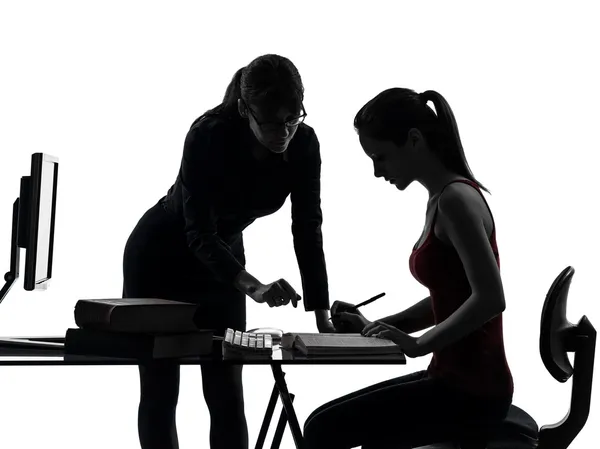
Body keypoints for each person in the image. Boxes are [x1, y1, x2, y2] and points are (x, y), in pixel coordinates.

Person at [122, 54, 335, 449]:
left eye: (293, 118)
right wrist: (254, 287)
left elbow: (308, 227)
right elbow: (199, 232)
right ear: (243, 108)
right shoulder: (208, 134)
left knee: (226, 390)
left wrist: (321, 314)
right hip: (161, 256)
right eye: (270, 122)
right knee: (160, 389)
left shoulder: (304, 143)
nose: (283, 131)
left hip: (225, 261)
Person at [303, 88, 514, 449]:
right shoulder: (442, 198)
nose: (376, 171)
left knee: (322, 429)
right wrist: (376, 327)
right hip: (453, 378)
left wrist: (418, 344)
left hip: (473, 392)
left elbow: (491, 298)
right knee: (323, 424)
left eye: (380, 157)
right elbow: (452, 297)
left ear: (414, 140)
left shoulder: (455, 201)